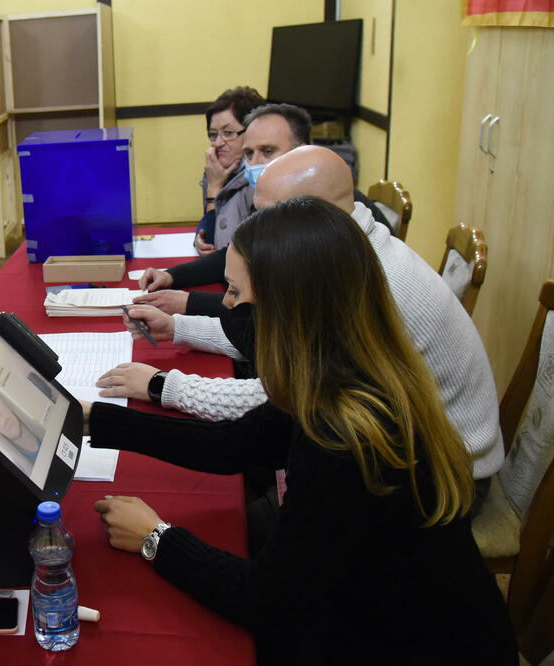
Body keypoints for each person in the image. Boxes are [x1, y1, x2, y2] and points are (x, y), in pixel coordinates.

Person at [88, 198, 518, 664]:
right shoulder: (345, 369)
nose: (226, 307)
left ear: (285, 311)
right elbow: (235, 445)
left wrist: (156, 537)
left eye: (234, 293)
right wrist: (98, 418)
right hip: (389, 610)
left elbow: (268, 600)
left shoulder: (342, 436)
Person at [100, 146, 504, 514]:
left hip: (444, 478)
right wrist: (180, 328)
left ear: (312, 218)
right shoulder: (344, 253)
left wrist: (161, 385)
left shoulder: (367, 283)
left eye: (268, 216)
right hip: (397, 450)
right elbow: (277, 347)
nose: (256, 227)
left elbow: (277, 399)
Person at [137, 104, 391, 318]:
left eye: (267, 151)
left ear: (300, 151)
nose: (255, 163)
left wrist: (188, 304)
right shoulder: (278, 198)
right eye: (249, 153)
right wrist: (172, 276)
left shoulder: (324, 208)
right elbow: (245, 253)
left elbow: (279, 311)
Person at [193, 87, 265, 256]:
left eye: (228, 133)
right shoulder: (218, 168)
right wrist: (200, 234)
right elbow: (209, 234)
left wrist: (213, 188)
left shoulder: (257, 175)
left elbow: (217, 245)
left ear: (252, 132)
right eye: (213, 134)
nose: (218, 143)